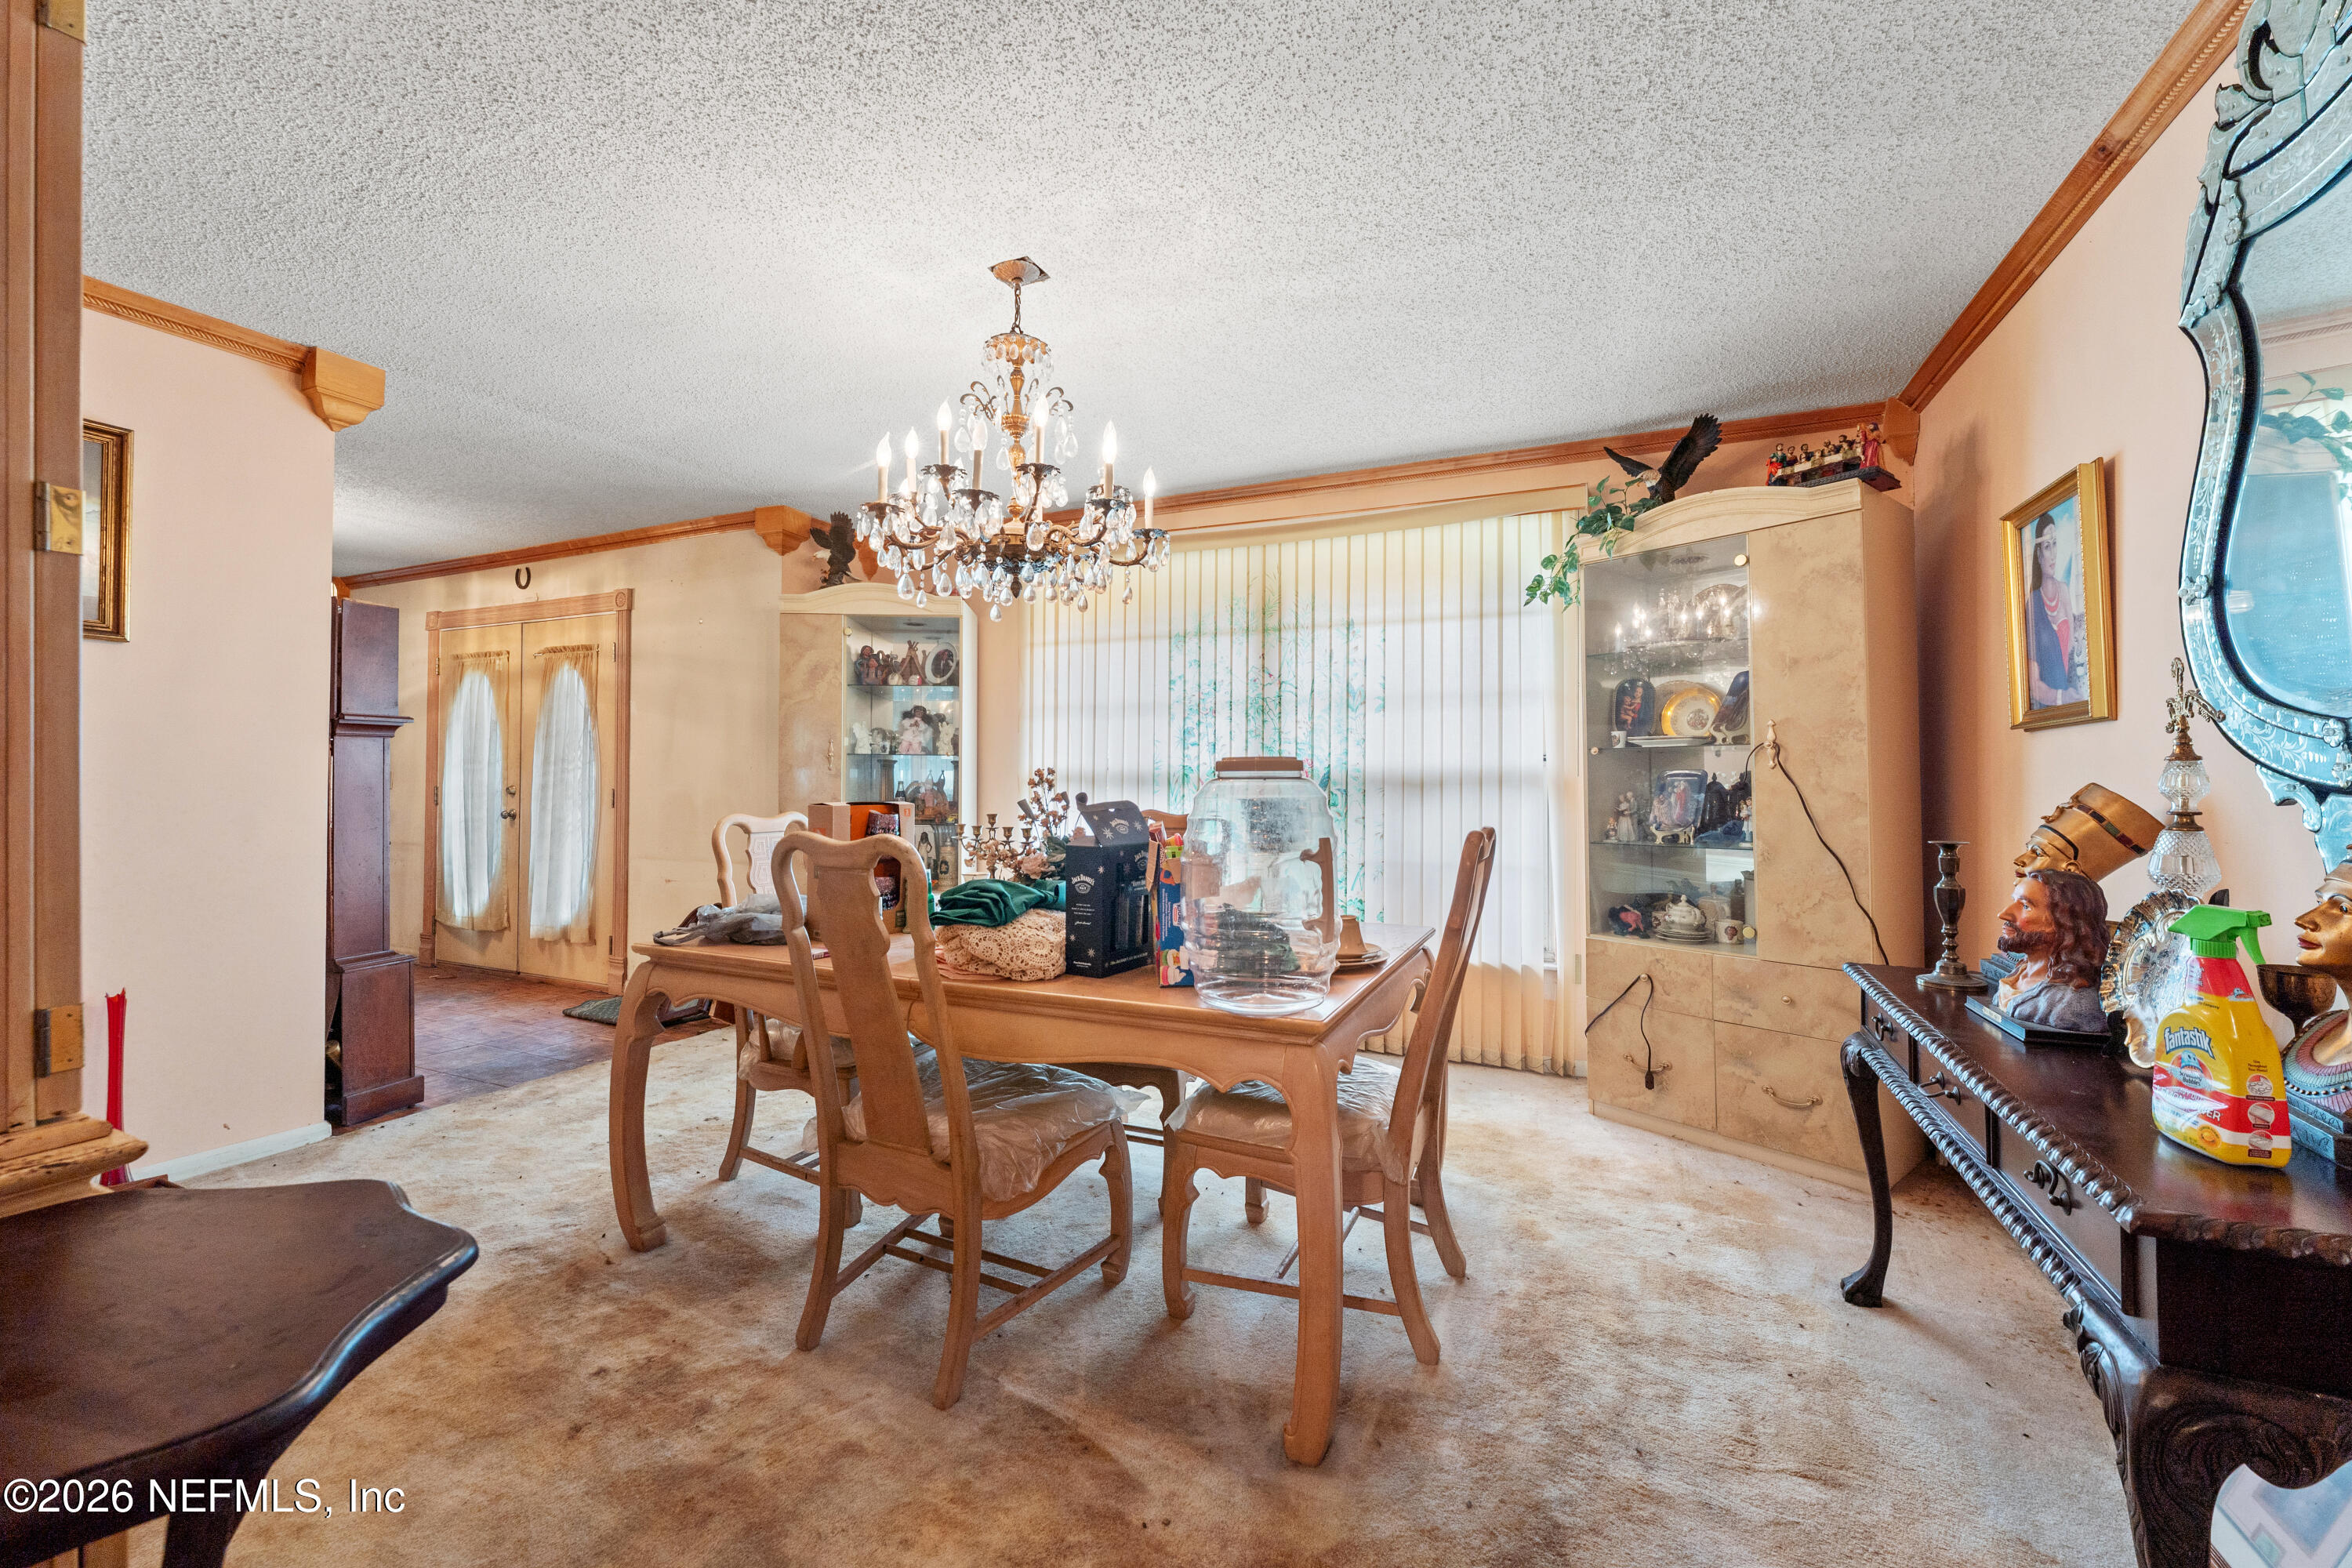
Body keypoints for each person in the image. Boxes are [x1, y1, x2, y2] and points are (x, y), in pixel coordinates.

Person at [1994, 868, 2110, 1032]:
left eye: (2026, 906)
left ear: (2065, 923)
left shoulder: (2072, 1004)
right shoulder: (2018, 975)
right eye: (2014, 901)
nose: (2004, 914)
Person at [2026, 520, 2088, 707]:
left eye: (2055, 545)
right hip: (2050, 706)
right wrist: (2062, 698)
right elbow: (2034, 685)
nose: (2053, 554)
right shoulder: (2033, 604)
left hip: (2073, 698)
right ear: (2038, 554)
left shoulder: (2064, 590)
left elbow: (2072, 651)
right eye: (2047, 547)